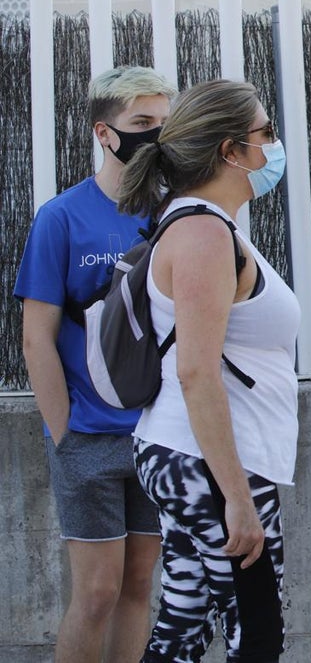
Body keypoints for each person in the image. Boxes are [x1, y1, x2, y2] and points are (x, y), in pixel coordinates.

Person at [117, 79, 300, 662]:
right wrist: (237, 497)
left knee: (181, 629)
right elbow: (196, 373)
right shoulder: (202, 233)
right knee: (256, 635)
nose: (274, 144)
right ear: (230, 151)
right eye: (266, 132)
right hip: (211, 463)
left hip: (195, 457)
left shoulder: (208, 224)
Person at [15, 65, 177, 663]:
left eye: (164, 122)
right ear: (104, 133)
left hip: (157, 433)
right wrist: (64, 434)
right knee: (96, 593)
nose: (155, 135)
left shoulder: (172, 214)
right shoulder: (61, 217)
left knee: (139, 585)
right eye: (142, 122)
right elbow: (36, 339)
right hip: (87, 438)